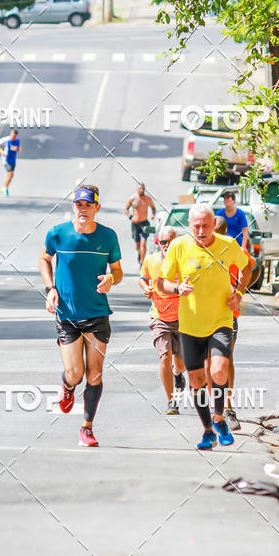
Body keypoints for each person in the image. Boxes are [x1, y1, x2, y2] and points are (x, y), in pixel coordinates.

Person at [157, 204, 251, 449]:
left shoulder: (228, 245)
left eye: (205, 226)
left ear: (213, 224)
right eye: (196, 226)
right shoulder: (178, 246)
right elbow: (161, 282)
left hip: (221, 321)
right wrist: (177, 289)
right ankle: (208, 429)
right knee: (196, 380)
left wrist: (239, 292)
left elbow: (248, 266)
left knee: (219, 370)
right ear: (189, 225)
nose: (201, 230)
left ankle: (219, 417)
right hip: (189, 325)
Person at [39, 185, 123, 447]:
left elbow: (118, 271)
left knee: (95, 374)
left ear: (97, 207)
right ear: (73, 206)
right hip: (67, 315)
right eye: (79, 204)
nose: (83, 208)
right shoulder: (57, 233)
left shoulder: (108, 237)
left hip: (97, 314)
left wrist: (111, 279)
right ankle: (68, 386)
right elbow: (44, 259)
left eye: (88, 204)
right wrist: (51, 289)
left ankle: (87, 428)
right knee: (75, 373)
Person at [213, 216, 260, 431]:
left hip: (228, 315)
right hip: (205, 315)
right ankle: (217, 410)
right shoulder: (202, 248)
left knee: (226, 360)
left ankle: (227, 409)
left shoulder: (233, 249)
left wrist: (240, 291)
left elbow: (252, 266)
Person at [139, 226, 187, 415]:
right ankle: (171, 401)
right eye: (162, 242)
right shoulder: (151, 260)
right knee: (165, 357)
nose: (166, 245)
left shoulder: (184, 261)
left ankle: (178, 373)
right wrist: (146, 288)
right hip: (159, 316)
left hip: (183, 317)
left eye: (170, 241)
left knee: (181, 363)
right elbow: (143, 278)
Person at [125, 182, 155, 266]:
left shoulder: (148, 199)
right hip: (135, 224)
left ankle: (142, 262)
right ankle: (140, 253)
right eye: (140, 188)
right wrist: (130, 217)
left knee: (143, 242)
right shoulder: (133, 198)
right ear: (137, 189)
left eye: (143, 188)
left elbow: (153, 208)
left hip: (144, 223)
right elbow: (126, 209)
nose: (141, 190)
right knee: (137, 245)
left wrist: (152, 214)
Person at [0, 127, 21, 196]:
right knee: (11, 173)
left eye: (15, 136)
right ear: (11, 134)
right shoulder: (6, 139)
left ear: (16, 136)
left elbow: (18, 148)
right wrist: (1, 151)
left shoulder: (17, 140)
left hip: (13, 159)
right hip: (6, 159)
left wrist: (17, 148)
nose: (13, 137)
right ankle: (5, 187)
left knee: (10, 175)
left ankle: (4, 187)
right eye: (12, 135)